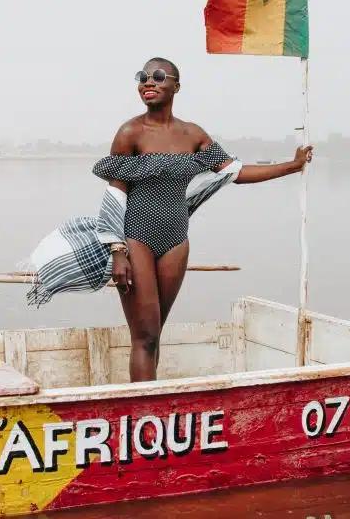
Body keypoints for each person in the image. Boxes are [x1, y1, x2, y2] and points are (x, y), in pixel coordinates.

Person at [90, 57, 313, 382]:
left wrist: (291, 167)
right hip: (135, 237)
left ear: (176, 86)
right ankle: (144, 415)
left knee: (156, 333)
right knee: (145, 336)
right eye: (142, 77)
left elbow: (235, 173)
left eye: (158, 76)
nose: (148, 82)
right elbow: (116, 192)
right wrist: (116, 250)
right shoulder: (131, 132)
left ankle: (153, 410)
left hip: (176, 241)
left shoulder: (193, 135)